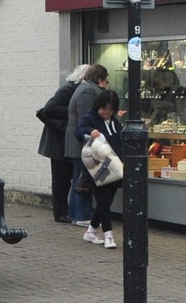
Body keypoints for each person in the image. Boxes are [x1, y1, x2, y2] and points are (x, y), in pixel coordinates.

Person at [37, 65, 88, 224]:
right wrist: (73, 111)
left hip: (63, 140)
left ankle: (66, 211)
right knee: (61, 179)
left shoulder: (75, 89)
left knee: (67, 178)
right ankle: (60, 213)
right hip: (58, 143)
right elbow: (49, 108)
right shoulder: (68, 90)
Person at [65, 64, 108, 229]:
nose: (107, 83)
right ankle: (81, 215)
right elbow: (86, 119)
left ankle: (77, 214)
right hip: (82, 143)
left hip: (81, 142)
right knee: (83, 178)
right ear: (99, 79)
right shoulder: (88, 91)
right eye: (106, 80)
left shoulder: (85, 88)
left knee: (80, 177)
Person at [80, 89, 124, 249]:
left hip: (113, 167)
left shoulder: (114, 121)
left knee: (106, 201)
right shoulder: (91, 118)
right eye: (105, 108)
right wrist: (90, 132)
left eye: (111, 109)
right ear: (98, 106)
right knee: (103, 200)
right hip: (97, 168)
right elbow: (80, 130)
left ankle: (90, 231)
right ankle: (109, 236)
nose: (107, 112)